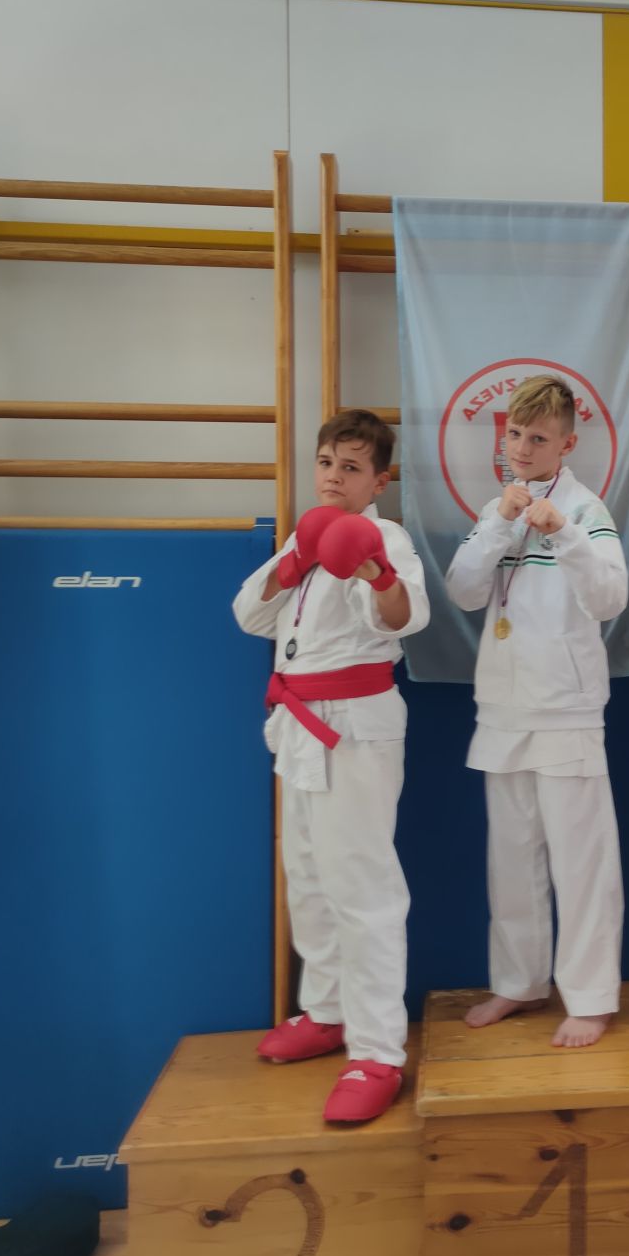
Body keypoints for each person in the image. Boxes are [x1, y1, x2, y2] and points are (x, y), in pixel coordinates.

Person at [233, 410, 429, 1122]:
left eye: (351, 468)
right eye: (325, 463)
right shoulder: (304, 535)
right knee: (309, 875)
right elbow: (248, 616)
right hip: (297, 724)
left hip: (354, 728)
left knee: (362, 886)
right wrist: (295, 560)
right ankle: (327, 1010)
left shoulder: (387, 537)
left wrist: (375, 571)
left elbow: (406, 618)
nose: (333, 478)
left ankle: (378, 1051)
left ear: (379, 480)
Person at [445, 375, 628, 1048]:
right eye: (515, 434)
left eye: (539, 438)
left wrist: (565, 536)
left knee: (582, 863)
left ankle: (591, 995)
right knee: (512, 860)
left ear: (567, 444)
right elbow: (463, 592)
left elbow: (610, 598)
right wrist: (499, 524)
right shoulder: (495, 508)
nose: (522, 448)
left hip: (566, 710)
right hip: (503, 709)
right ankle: (519, 981)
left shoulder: (587, 509)